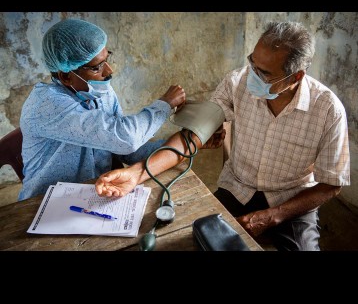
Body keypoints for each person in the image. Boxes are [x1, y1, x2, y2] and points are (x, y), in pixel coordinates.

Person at [95, 21, 350, 251]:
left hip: (292, 200)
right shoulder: (237, 82)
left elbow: (332, 183)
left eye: (265, 74)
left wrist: (273, 216)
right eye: (252, 62)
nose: (253, 75)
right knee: (193, 240)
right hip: (238, 188)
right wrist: (136, 174)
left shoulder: (328, 109)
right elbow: (191, 137)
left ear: (295, 77)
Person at [18, 18, 186, 201]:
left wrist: (181, 145)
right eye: (97, 67)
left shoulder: (99, 92)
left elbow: (126, 150)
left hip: (95, 194)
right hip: (45, 203)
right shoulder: (46, 105)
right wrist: (165, 104)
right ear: (66, 76)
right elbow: (126, 139)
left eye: (107, 59)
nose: (108, 71)